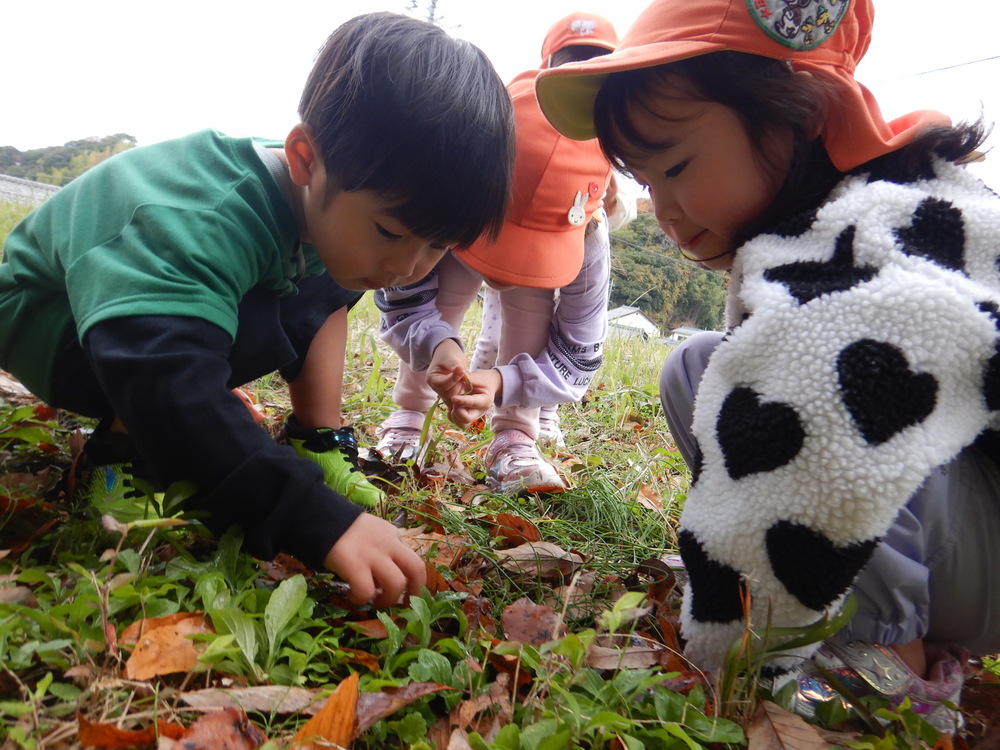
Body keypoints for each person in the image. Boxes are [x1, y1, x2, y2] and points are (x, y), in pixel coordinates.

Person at [535, 0, 998, 732]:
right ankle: (890, 623)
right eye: (647, 180)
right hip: (965, 543)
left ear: (799, 113)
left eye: (678, 164)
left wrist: (733, 644)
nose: (665, 209)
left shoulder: (891, 224)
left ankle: (887, 680)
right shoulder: (797, 248)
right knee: (698, 368)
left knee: (825, 379)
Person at [0, 12, 515, 609]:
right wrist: (315, 518)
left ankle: (314, 438)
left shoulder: (327, 212)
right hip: (60, 327)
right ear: (304, 155)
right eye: (390, 230)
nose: (408, 267)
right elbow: (162, 375)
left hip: (136, 327)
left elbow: (349, 279)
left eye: (438, 246)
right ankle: (117, 458)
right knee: (191, 360)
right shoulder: (202, 218)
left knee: (335, 281)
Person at [373, 13, 619, 496]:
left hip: (535, 233)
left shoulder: (588, 239)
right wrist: (439, 346)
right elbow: (405, 295)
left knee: (530, 310)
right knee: (441, 293)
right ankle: (406, 414)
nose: (508, 269)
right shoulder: (449, 185)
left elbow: (578, 354)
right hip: (463, 231)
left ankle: (515, 435)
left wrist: (502, 382)